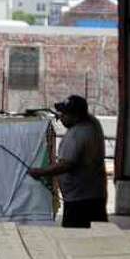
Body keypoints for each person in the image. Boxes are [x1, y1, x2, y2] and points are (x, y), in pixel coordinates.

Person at [28, 94, 109, 230]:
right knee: (96, 235)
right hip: (95, 194)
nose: (61, 118)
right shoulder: (93, 123)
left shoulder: (77, 134)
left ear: (76, 116)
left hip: (80, 201)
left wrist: (41, 172)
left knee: (75, 238)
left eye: (65, 114)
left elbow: (66, 165)